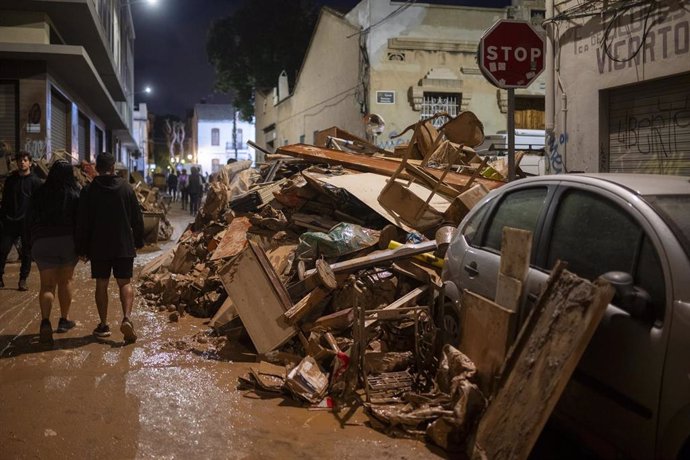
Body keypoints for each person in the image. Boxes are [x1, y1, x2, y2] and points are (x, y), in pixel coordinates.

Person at [76, 153, 144, 343]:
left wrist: (81, 248)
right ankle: (127, 318)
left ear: (97, 168)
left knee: (101, 284)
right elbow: (137, 218)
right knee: (125, 283)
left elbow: (82, 222)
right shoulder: (126, 188)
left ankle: (104, 324)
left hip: (98, 246)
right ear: (113, 167)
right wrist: (138, 242)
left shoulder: (89, 190)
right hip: (123, 244)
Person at [26, 160, 80, 344]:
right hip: (67, 242)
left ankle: (45, 322)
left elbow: (30, 217)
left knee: (47, 286)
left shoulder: (40, 192)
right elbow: (80, 222)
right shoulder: (74, 194)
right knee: (65, 281)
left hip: (42, 242)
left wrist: (32, 240)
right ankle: (64, 321)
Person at [0, 151, 42, 290]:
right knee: (2, 250)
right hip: (10, 222)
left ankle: (23, 280)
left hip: (27, 223)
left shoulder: (35, 182)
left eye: (25, 160)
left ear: (30, 162)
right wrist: (3, 217)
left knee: (27, 253)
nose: (22, 162)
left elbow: (38, 204)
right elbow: (4, 201)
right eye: (20, 160)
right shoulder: (11, 180)